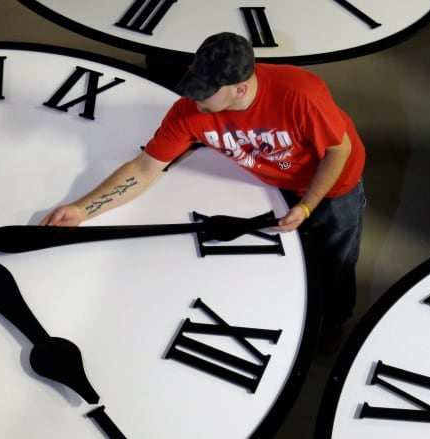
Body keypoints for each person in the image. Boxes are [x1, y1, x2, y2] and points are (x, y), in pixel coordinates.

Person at [39, 32, 366, 353]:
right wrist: (82, 210)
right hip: (275, 179)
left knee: (335, 258)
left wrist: (308, 205)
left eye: (206, 93)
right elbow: (143, 169)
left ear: (240, 89)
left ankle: (335, 321)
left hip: (334, 183)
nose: (195, 100)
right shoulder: (188, 112)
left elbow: (339, 151)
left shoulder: (300, 95)